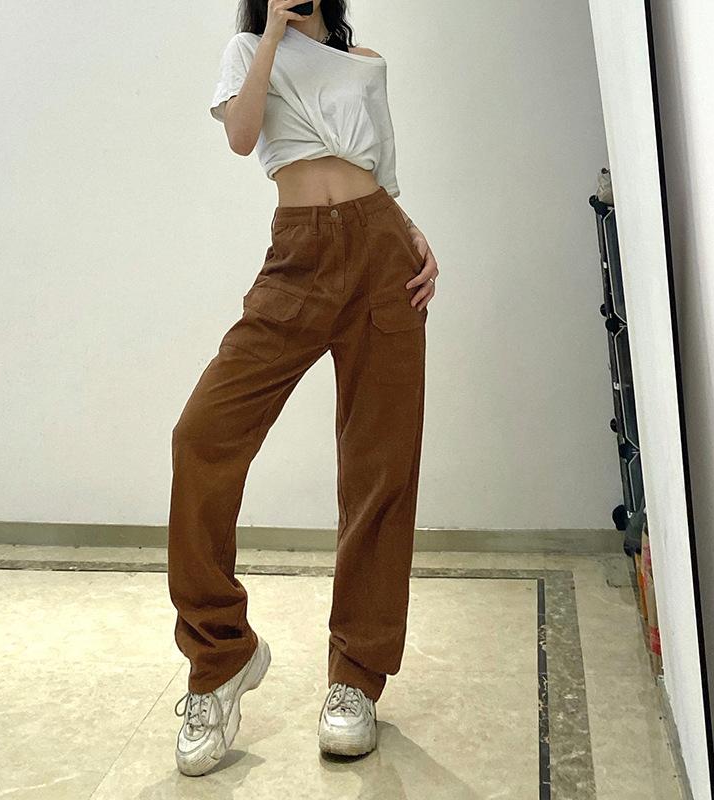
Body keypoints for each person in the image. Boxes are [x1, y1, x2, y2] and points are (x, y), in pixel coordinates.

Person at [168, 0, 439, 776]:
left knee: (381, 466)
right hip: (298, 257)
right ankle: (220, 658)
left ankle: (356, 678)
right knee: (202, 436)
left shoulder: (366, 63)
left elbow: (380, 172)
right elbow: (242, 136)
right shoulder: (249, 50)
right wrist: (272, 36)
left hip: (382, 253)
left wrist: (414, 236)